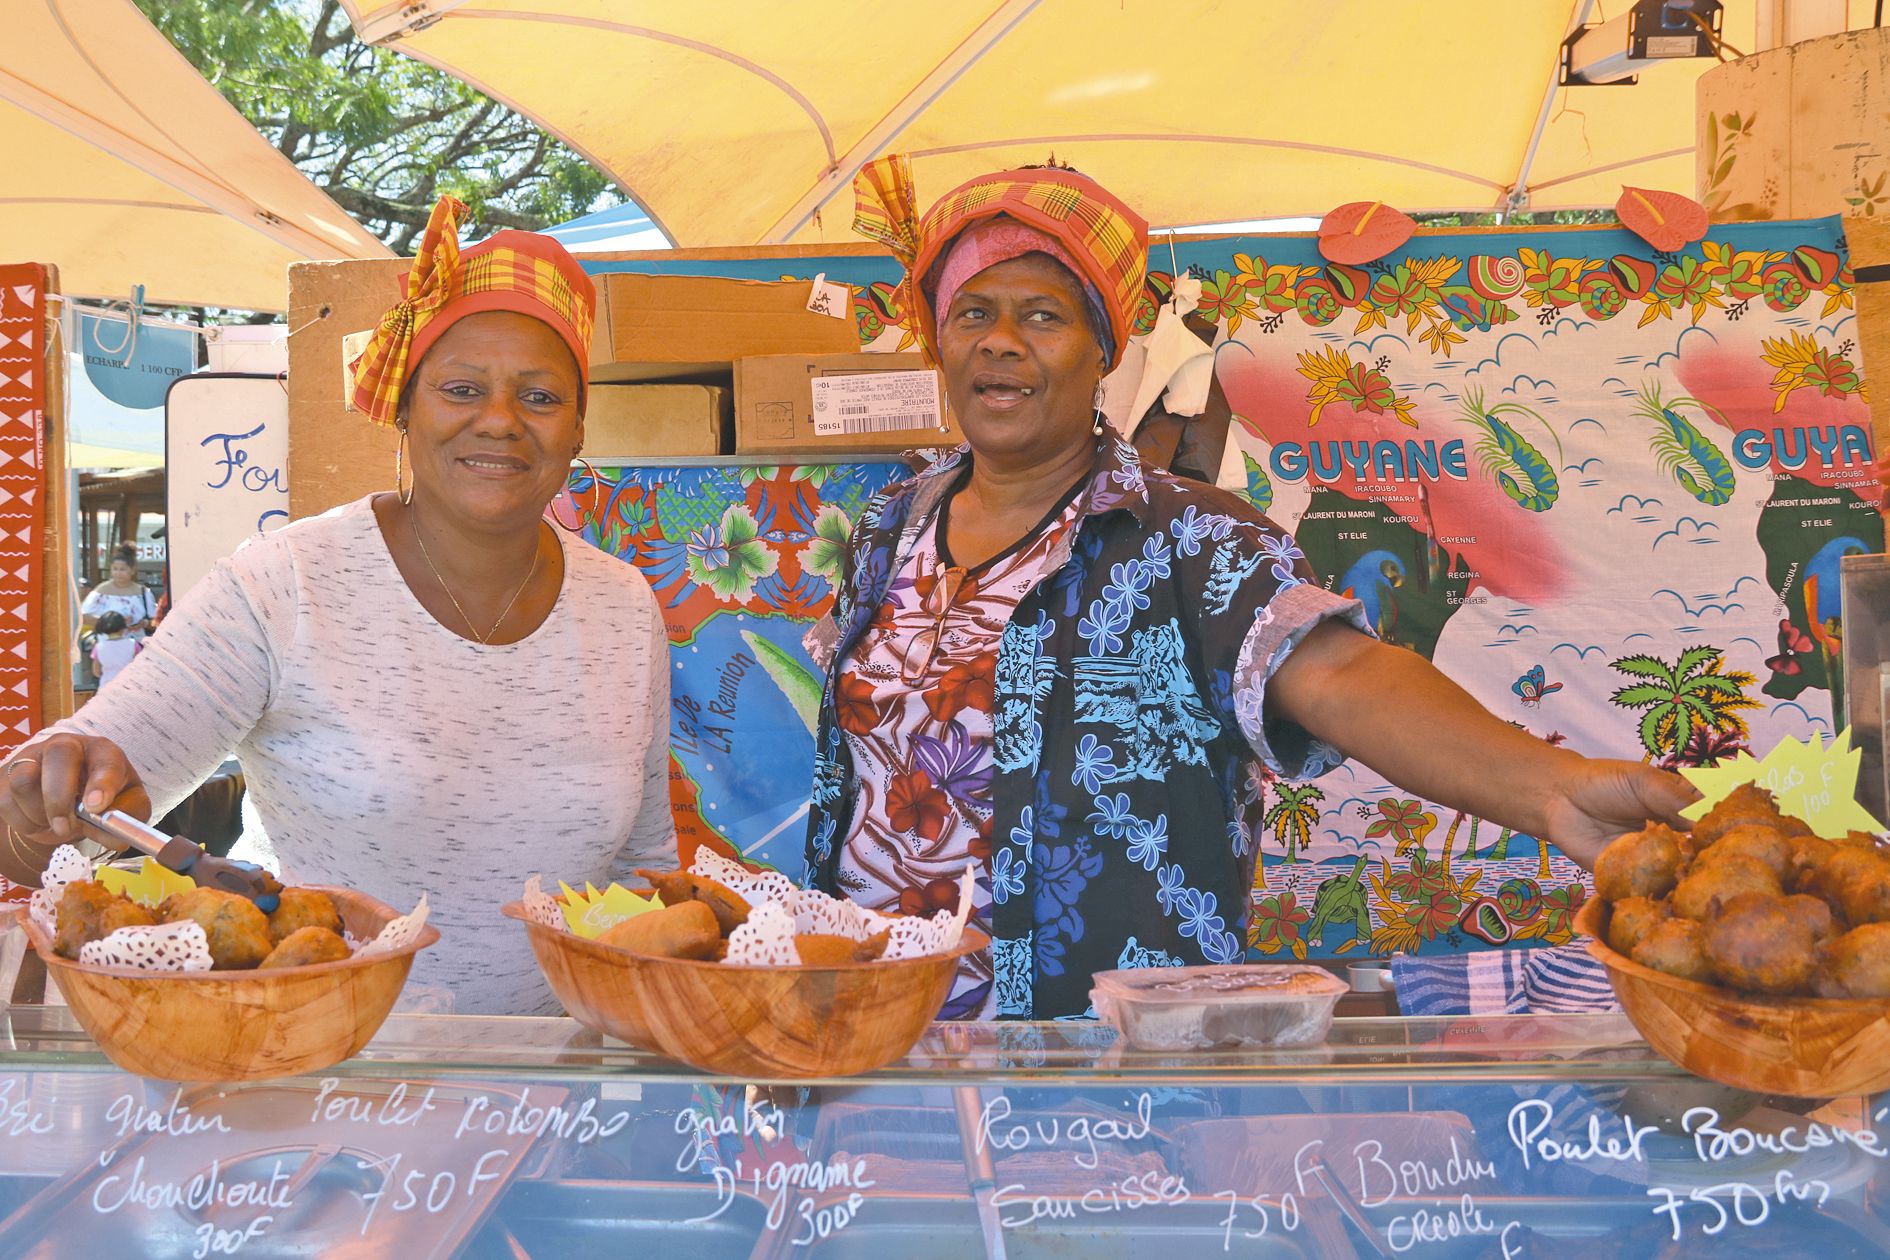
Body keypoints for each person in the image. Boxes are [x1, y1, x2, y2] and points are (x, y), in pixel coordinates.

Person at [804, 157, 1697, 1019]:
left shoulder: (1189, 535)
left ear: (1103, 352)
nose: (1001, 340)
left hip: (1095, 1061)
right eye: (973, 314)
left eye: (1043, 316)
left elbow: (1341, 678)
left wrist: (1550, 789)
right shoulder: (893, 527)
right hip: (880, 1034)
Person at [0, 196, 676, 1015]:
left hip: (563, 1090)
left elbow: (645, 866)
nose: (499, 422)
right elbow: (84, 782)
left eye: (539, 398)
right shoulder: (285, 584)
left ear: (577, 429)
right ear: (404, 409)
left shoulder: (624, 604)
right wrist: (42, 805)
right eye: (461, 389)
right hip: (314, 1073)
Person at [80, 544, 155, 639]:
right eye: (115, 569)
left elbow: (155, 621)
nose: (118, 573)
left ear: (132, 570)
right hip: (107, 644)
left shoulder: (143, 592)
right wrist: (112, 622)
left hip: (137, 644)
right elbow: (83, 616)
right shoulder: (101, 591)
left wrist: (144, 623)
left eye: (122, 569)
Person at [88, 611, 139, 691]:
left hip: (106, 687)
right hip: (130, 686)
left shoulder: (98, 647)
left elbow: (96, 672)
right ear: (123, 627)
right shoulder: (133, 644)